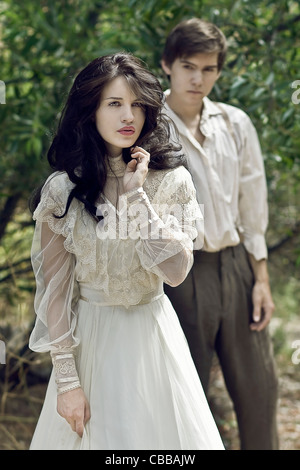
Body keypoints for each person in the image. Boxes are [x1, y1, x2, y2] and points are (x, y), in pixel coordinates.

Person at [28, 52, 224, 450]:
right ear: (90, 111)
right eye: (114, 104)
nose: (128, 116)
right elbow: (56, 293)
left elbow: (176, 272)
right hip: (90, 343)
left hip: (153, 338)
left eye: (136, 104)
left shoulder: (172, 181)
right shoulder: (62, 191)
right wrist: (67, 381)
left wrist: (138, 199)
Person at [161, 18, 279, 450]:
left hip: (236, 267)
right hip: (180, 272)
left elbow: (253, 206)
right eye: (189, 66)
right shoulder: (151, 127)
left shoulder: (236, 124)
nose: (198, 79)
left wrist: (261, 279)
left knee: (260, 392)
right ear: (167, 64)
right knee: (185, 396)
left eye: (209, 69)